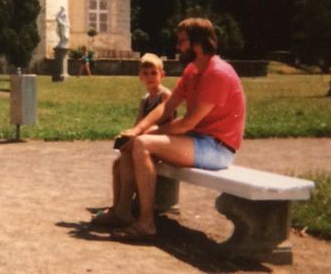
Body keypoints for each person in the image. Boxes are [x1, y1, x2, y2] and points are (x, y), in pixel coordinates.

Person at [106, 17, 246, 241]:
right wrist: (136, 129)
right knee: (132, 143)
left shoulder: (217, 73)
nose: (178, 46)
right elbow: (167, 107)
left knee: (142, 144)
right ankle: (122, 211)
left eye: (182, 41)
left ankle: (146, 223)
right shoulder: (193, 70)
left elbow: (188, 123)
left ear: (197, 43)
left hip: (218, 149)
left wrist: (143, 135)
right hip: (199, 140)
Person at [92, 54, 175, 227]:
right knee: (118, 162)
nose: (150, 77)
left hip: (163, 143)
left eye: (154, 73)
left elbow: (170, 125)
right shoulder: (145, 100)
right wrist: (126, 137)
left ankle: (123, 210)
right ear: (140, 76)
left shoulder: (165, 95)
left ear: (162, 75)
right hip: (146, 142)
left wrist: (141, 136)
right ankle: (118, 207)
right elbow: (138, 124)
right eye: (146, 73)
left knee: (128, 161)